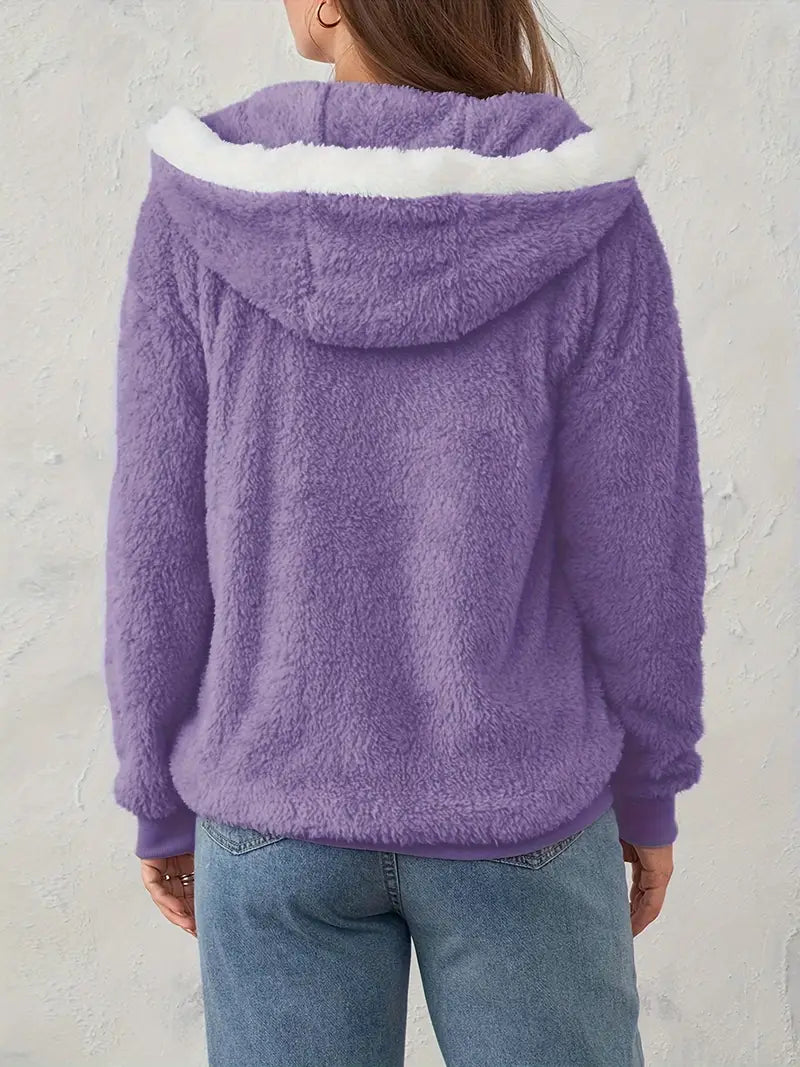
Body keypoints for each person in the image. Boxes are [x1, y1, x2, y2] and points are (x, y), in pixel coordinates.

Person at [103, 1, 706, 1064]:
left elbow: (154, 535)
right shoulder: (580, 208)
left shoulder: (202, 205)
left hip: (273, 803)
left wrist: (153, 787)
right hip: (518, 802)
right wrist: (648, 784)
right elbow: (640, 542)